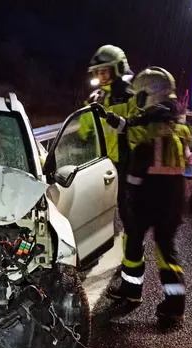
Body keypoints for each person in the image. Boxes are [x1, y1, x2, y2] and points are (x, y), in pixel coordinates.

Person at [90, 67, 188, 329]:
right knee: (165, 250)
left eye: (141, 95)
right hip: (174, 196)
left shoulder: (154, 124)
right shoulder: (176, 121)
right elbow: (133, 126)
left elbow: (134, 133)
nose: (138, 101)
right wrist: (111, 118)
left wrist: (131, 194)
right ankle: (174, 307)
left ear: (151, 94)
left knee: (134, 241)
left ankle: (132, 290)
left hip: (151, 195)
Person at [78, 45, 140, 233]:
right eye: (98, 71)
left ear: (118, 68)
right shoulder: (95, 98)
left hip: (127, 162)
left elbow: (138, 127)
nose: (101, 75)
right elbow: (84, 129)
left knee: (127, 211)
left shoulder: (131, 95)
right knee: (97, 209)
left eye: (104, 70)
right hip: (101, 163)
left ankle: (134, 255)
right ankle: (96, 248)